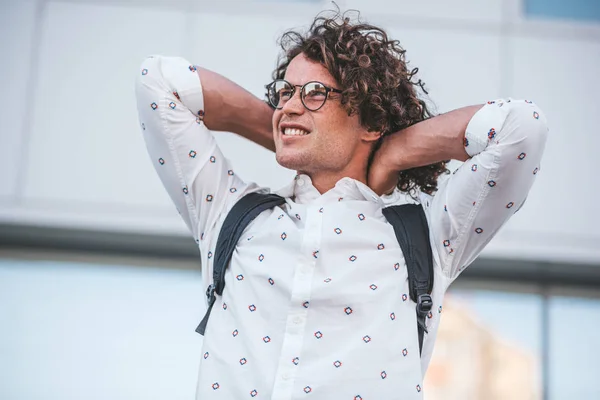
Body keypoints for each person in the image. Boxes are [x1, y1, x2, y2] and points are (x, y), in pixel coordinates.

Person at [135, 9, 548, 400]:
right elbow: (157, 80)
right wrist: (287, 130)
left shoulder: (427, 237)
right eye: (285, 93)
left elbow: (521, 128)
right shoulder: (229, 213)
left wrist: (390, 154)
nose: (290, 105)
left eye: (315, 93)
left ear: (370, 122)